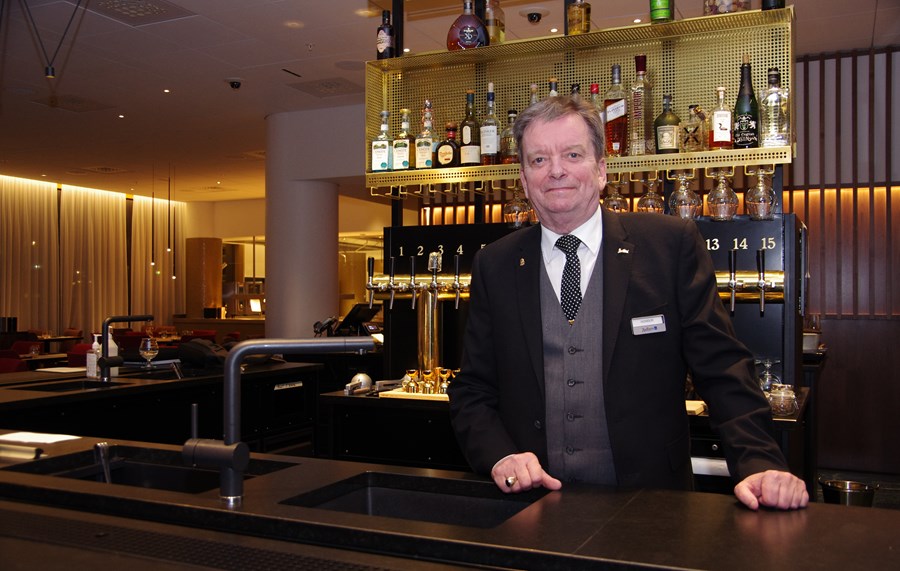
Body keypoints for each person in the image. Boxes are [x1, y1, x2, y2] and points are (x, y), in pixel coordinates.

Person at [447, 95, 808, 511]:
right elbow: (473, 389)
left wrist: (759, 462)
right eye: (539, 160)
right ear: (525, 181)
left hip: (653, 505)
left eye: (572, 155)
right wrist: (500, 456)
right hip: (532, 508)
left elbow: (723, 368)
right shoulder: (495, 264)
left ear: (601, 170)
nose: (556, 170)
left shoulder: (669, 245)